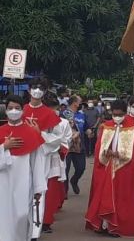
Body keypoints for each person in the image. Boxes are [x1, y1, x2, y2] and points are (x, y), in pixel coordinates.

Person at [85, 100, 134, 237]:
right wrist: (106, 152)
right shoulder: (106, 126)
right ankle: (102, 224)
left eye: (120, 114)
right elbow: (99, 146)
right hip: (106, 166)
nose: (117, 117)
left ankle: (115, 226)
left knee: (120, 197)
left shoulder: (133, 127)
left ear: (125, 113)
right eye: (114, 114)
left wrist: (119, 154)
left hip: (123, 167)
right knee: (103, 195)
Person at [0, 95, 47, 241]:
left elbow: (37, 162)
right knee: (3, 217)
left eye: (17, 108)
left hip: (23, 183)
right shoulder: (1, 131)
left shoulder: (31, 133)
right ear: (5, 110)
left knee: (22, 215)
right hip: (3, 183)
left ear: (22, 110)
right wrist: (4, 147)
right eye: (10, 108)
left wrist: (38, 188)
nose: (13, 111)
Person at [23, 78, 63, 240]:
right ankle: (20, 226)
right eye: (34, 87)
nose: (37, 91)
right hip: (21, 155)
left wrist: (40, 132)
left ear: (45, 92)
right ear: (28, 89)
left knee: (38, 190)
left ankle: (34, 231)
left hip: (40, 154)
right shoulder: (21, 109)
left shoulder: (49, 114)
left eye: (41, 88)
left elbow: (57, 138)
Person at [42, 98, 72, 233]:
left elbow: (66, 140)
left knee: (51, 191)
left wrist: (61, 148)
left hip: (54, 159)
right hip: (38, 158)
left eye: (55, 109)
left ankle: (46, 221)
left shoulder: (63, 123)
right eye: (49, 109)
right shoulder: (38, 120)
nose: (52, 112)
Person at [64, 95, 86, 197]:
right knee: (65, 169)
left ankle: (74, 180)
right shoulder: (64, 114)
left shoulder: (81, 115)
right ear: (74, 103)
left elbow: (86, 127)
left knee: (81, 168)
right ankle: (64, 192)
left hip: (79, 145)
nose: (81, 103)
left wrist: (89, 131)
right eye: (79, 101)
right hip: (67, 146)